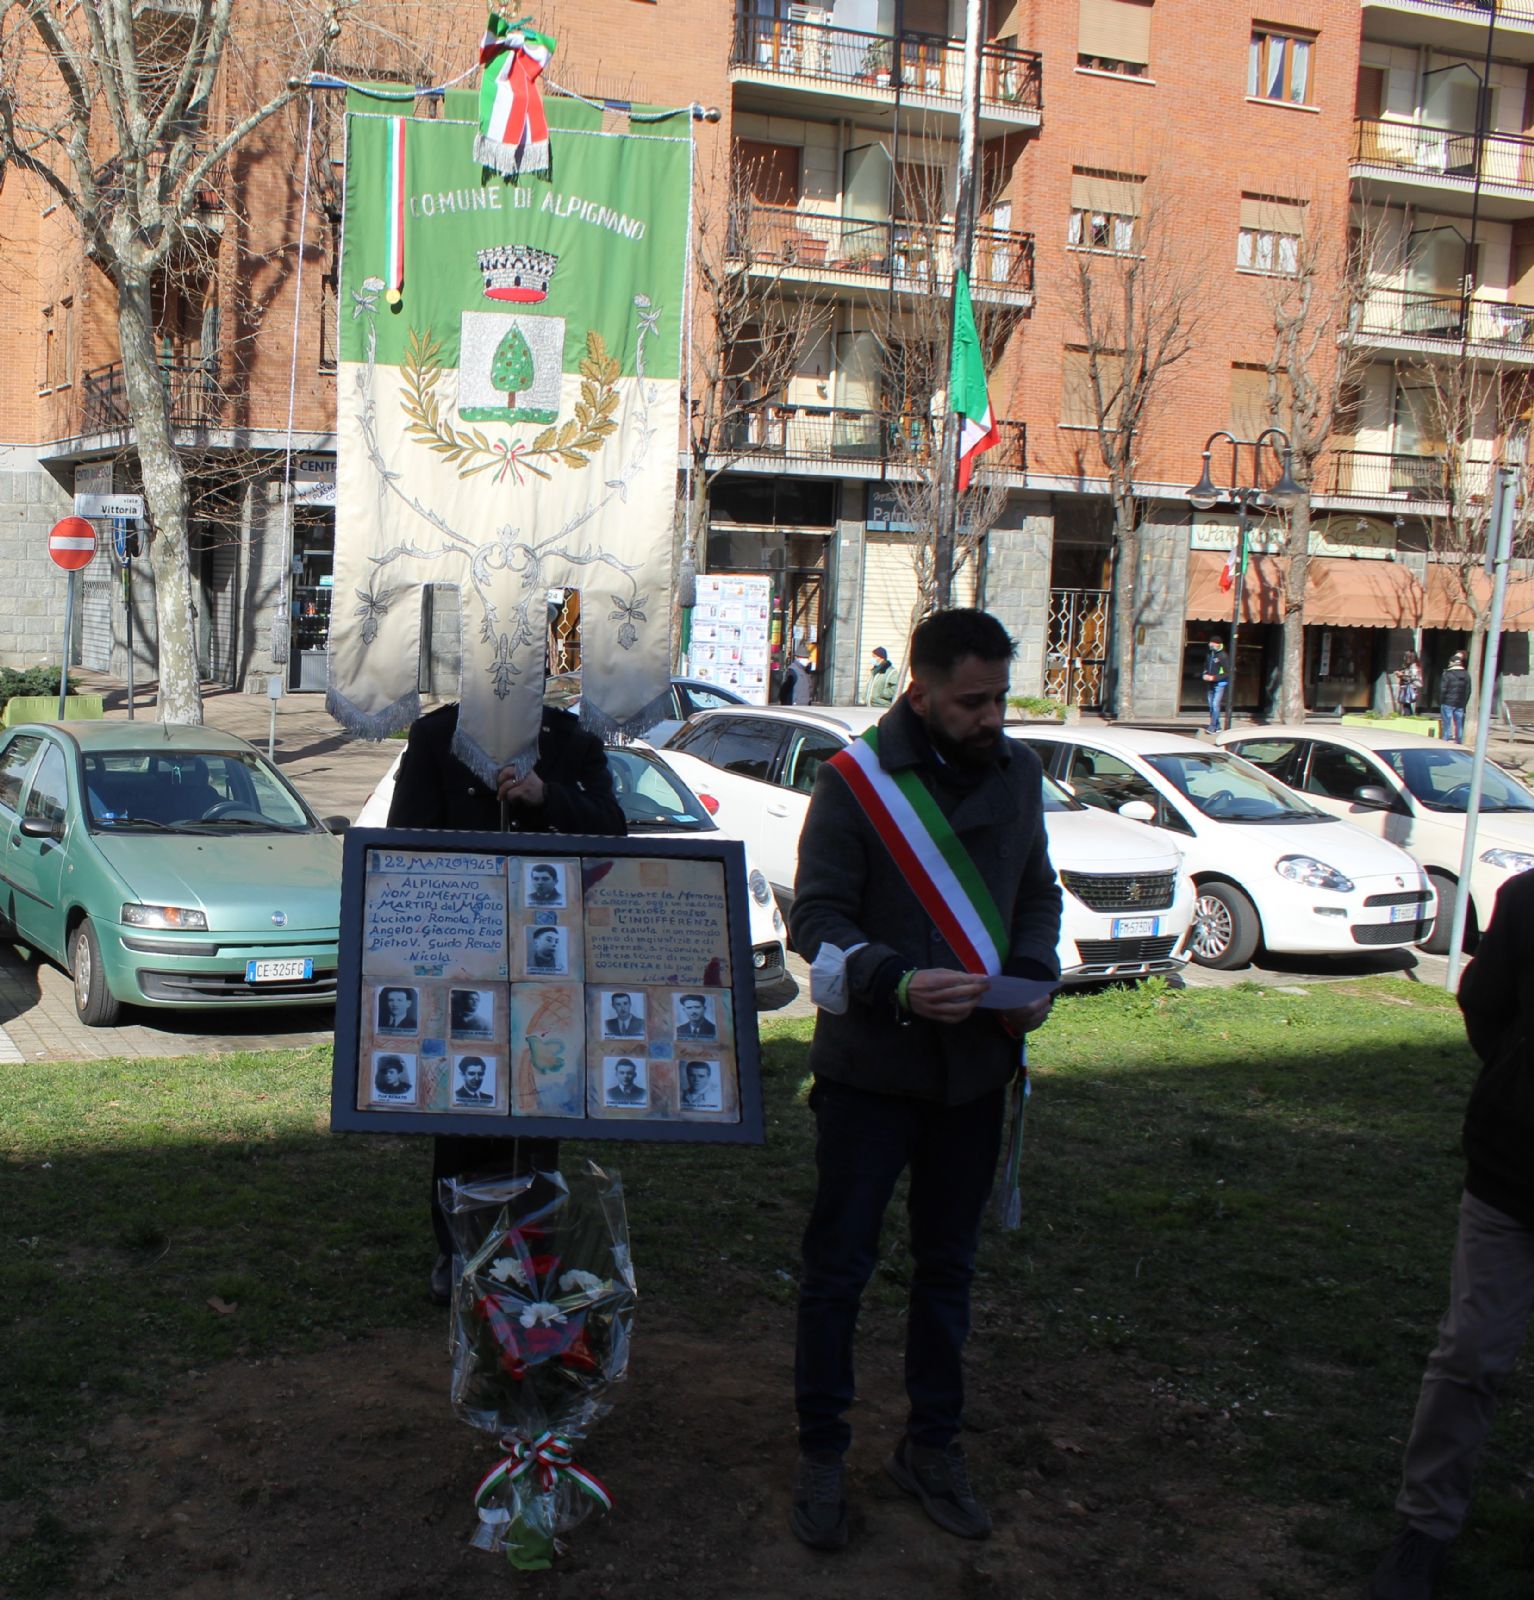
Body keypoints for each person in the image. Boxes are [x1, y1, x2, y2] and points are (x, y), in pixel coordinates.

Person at [787, 607, 1062, 1552]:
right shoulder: (854, 782)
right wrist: (894, 981)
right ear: (921, 690)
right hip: (871, 1074)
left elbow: (1036, 893)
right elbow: (816, 920)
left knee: (949, 1271)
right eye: (972, 701)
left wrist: (1034, 978)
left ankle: (932, 1445)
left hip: (974, 1075)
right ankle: (822, 1451)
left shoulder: (1019, 774)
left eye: (1000, 699)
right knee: (838, 1272)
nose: (992, 718)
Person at [386, 697, 625, 1305]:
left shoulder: (573, 739)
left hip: (549, 962)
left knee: (537, 1106)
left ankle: (529, 1253)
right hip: (462, 958)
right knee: (461, 1107)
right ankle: (458, 1251)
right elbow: (404, 843)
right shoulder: (437, 734)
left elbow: (611, 829)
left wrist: (548, 798)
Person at [1367, 868, 1534, 1600]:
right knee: (1470, 1352)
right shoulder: (1528, 900)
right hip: (1512, 1173)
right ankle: (1425, 1527)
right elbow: (1484, 1008)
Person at [1438, 652, 1471, 744]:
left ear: (1451, 663)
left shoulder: (1447, 674)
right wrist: (1464, 702)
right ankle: (1459, 740)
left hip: (1447, 702)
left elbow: (1443, 689)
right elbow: (1468, 690)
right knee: (1459, 723)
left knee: (1447, 722)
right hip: (1460, 703)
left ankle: (1446, 739)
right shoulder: (1466, 674)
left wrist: (1441, 701)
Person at [1202, 635, 1230, 734]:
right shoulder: (1210, 654)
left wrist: (1214, 678)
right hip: (1210, 682)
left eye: (1213, 643)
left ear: (1218, 644)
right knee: (1211, 705)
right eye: (1210, 642)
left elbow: (1227, 672)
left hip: (1219, 683)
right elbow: (1206, 666)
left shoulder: (1223, 656)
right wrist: (1205, 674)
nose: (1210, 644)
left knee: (1215, 704)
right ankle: (1217, 726)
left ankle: (1212, 726)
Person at [1396, 651, 1423, 717]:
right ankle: (1408, 716)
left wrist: (1401, 675)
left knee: (1406, 702)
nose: (1404, 658)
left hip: (1409, 687)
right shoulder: (1409, 665)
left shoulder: (1413, 666)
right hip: (1407, 686)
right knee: (1406, 703)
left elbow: (1412, 677)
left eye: (1406, 656)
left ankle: (1407, 716)